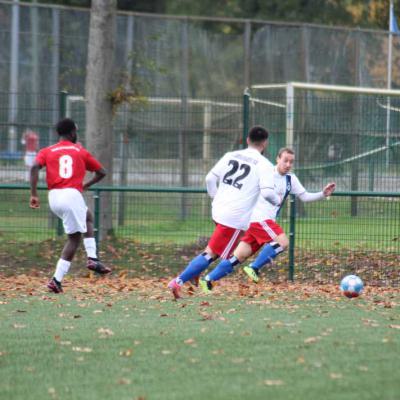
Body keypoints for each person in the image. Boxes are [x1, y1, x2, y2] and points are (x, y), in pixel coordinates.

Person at [199, 147, 336, 292]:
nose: (288, 164)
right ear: (277, 159)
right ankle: (254, 267)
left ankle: (208, 280)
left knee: (237, 257)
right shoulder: (265, 172)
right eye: (285, 161)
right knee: (283, 242)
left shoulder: (291, 179)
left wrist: (322, 193)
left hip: (259, 223)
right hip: (258, 219)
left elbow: (304, 196)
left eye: (291, 162)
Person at [168, 125, 279, 299]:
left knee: (213, 250)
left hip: (218, 210)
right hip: (234, 218)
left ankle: (194, 274)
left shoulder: (230, 155)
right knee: (212, 254)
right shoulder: (265, 165)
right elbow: (267, 193)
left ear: (248, 140)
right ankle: (179, 281)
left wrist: (215, 198)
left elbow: (210, 179)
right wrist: (277, 200)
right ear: (265, 144)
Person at [29, 118, 111, 294]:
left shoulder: (47, 151)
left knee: (88, 216)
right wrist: (87, 185)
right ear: (73, 132)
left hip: (54, 197)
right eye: (77, 131)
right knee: (74, 238)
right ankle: (61, 277)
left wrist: (34, 194)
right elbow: (102, 172)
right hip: (71, 195)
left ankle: (90, 260)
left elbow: (34, 167)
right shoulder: (79, 151)